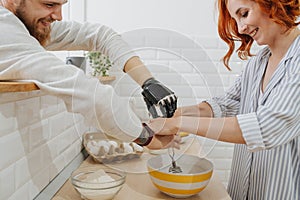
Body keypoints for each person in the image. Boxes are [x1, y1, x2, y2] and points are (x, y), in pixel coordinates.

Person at [147, 0, 299, 199]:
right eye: (236, 20)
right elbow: (228, 103)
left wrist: (176, 124)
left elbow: (266, 126)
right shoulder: (258, 63)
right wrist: (176, 114)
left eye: (244, 14)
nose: (241, 28)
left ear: (272, 3)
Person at [0, 0, 179, 149]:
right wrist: (147, 138)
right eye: (49, 4)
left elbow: (99, 36)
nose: (59, 16)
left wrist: (149, 82)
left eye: (62, 5)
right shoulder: (5, 29)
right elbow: (90, 94)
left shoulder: (25, 26)